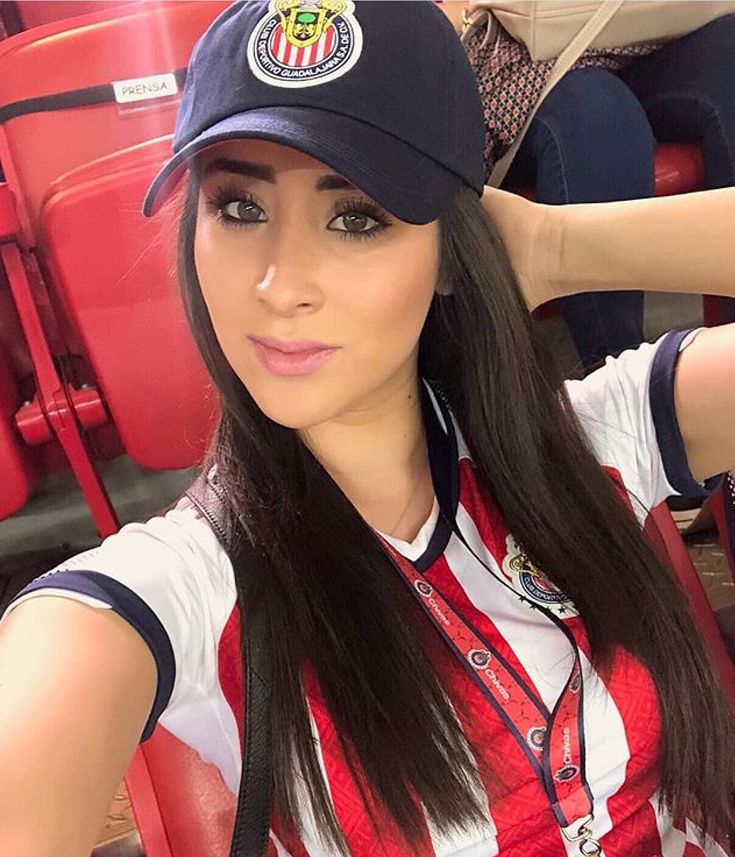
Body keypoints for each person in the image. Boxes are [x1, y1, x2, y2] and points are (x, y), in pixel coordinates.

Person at [0, 3, 734, 856]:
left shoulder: (598, 437)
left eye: (356, 217)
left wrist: (551, 245)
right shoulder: (177, 590)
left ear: (448, 249)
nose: (280, 283)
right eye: (237, 207)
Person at [465, 11, 735, 369]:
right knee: (597, 115)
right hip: (540, 61)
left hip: (655, 33)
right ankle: (619, 375)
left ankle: (725, 354)